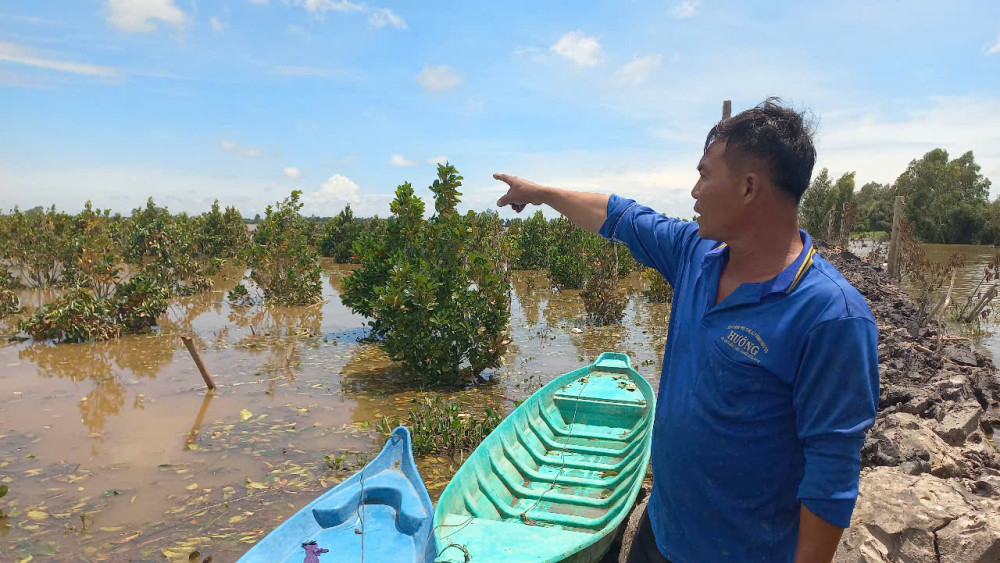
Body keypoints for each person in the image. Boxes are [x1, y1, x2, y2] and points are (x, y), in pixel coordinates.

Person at [493, 99, 880, 563]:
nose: (694, 192)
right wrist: (540, 193)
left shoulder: (831, 315)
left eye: (704, 175)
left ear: (748, 187)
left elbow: (831, 474)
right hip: (661, 531)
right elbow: (618, 214)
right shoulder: (695, 253)